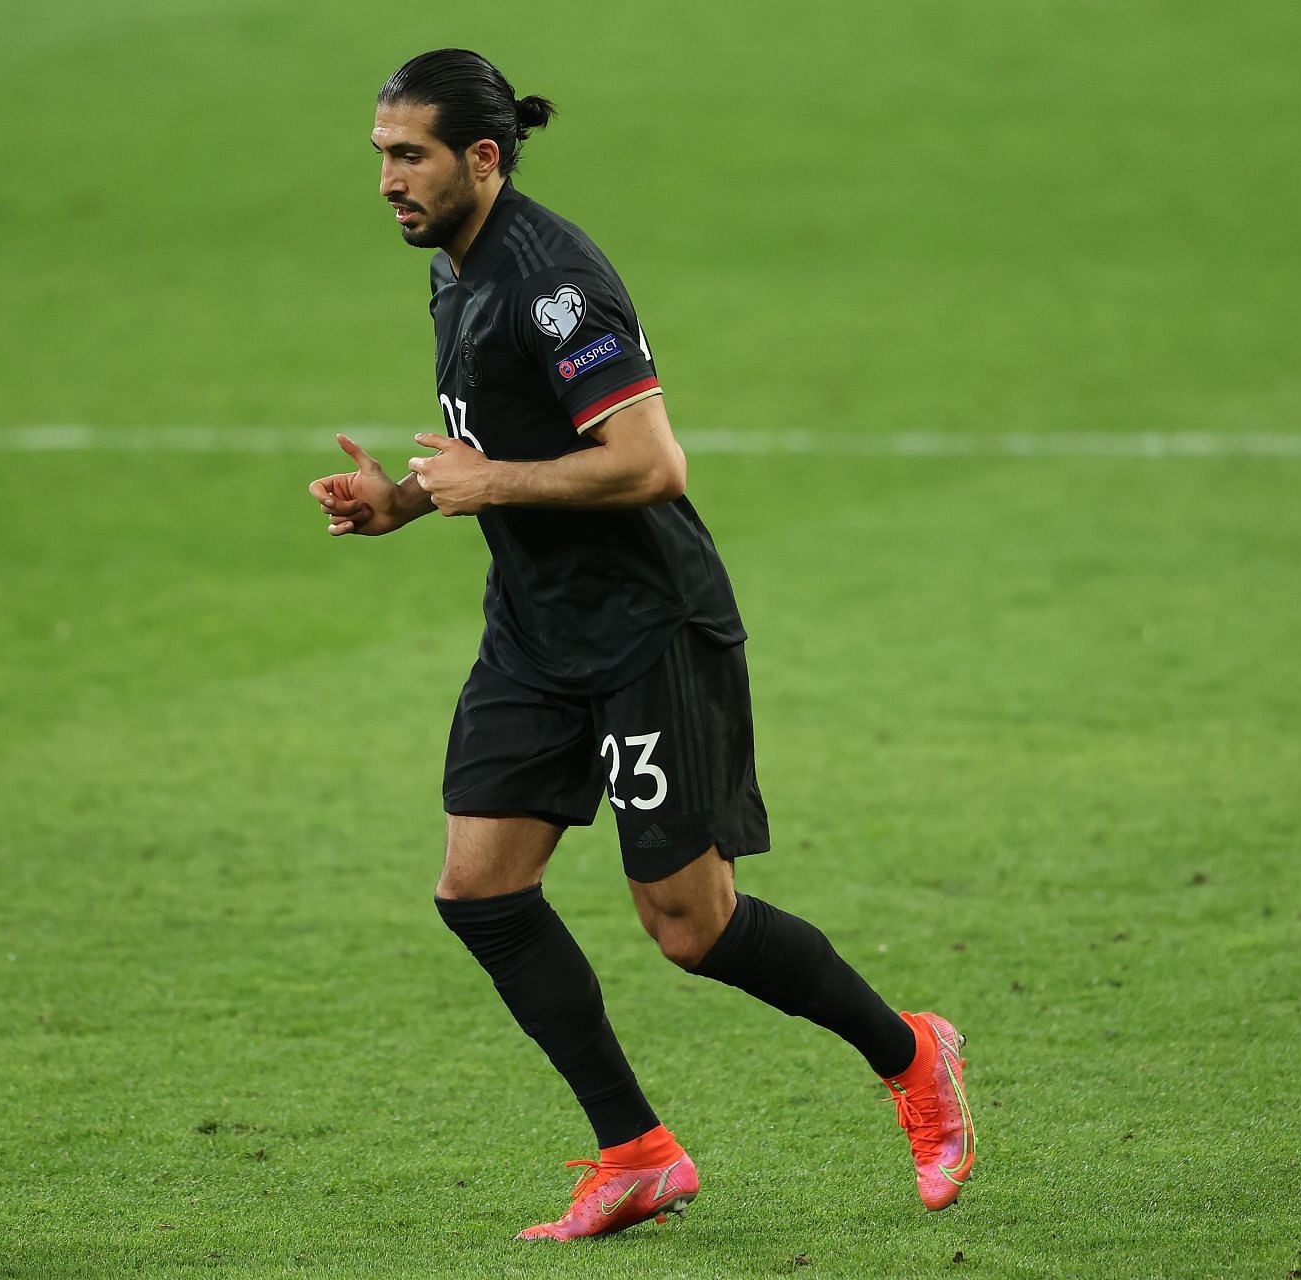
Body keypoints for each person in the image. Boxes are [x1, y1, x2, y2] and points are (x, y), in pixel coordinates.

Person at [310, 48, 974, 1241]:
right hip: (534, 628)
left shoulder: (552, 282)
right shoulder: (455, 269)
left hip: (643, 628)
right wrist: (407, 499)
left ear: (482, 158)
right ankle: (637, 1151)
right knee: (482, 887)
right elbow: (495, 444)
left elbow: (650, 462)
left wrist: (480, 483)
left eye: (409, 157)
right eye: (380, 157)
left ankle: (912, 1051)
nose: (388, 182)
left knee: (689, 923)